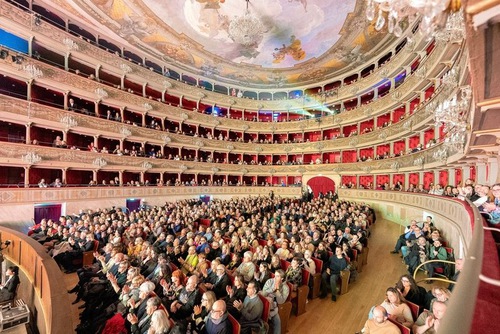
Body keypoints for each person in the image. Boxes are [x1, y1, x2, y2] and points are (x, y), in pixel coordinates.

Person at [262, 269, 289, 334]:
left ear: (282, 278)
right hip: (265, 300)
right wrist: (272, 289)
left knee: (277, 321)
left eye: (277, 276)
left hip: (274, 305)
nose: (275, 277)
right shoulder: (270, 281)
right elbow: (263, 293)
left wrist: (277, 291)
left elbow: (280, 302)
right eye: (275, 275)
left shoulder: (286, 287)